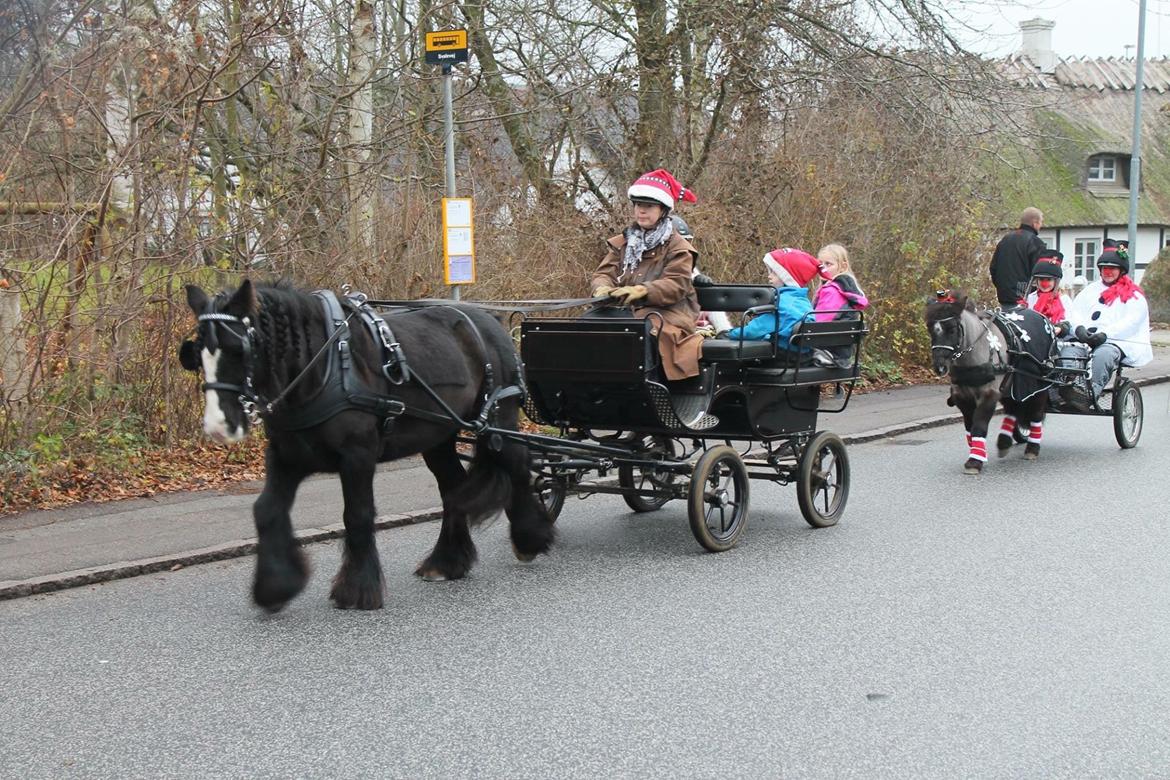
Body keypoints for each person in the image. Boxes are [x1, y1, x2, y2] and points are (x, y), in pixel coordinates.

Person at [591, 169, 703, 380]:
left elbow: (676, 285)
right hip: (625, 312)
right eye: (637, 205)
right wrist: (602, 288)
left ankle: (648, 388)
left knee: (639, 333)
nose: (641, 211)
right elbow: (604, 273)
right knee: (585, 325)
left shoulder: (679, 247)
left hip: (669, 315)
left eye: (648, 206)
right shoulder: (622, 243)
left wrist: (642, 290)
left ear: (663, 210)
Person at [1058, 246, 1152, 410]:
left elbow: (1131, 322)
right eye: (1104, 268)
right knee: (1068, 353)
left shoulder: (1134, 296)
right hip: (1085, 339)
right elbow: (1074, 313)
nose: (1108, 272)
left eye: (1112, 269)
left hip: (1115, 342)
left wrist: (1105, 335)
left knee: (1103, 355)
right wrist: (1079, 329)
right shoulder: (1089, 291)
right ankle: (1068, 388)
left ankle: (1088, 395)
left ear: (1121, 271)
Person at [722, 248, 824, 362]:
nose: (769, 276)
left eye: (774, 272)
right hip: (804, 355)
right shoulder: (802, 300)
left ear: (787, 277)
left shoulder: (781, 303)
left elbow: (756, 329)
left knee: (740, 361)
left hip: (784, 356)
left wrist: (730, 334)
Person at [990, 207, 1046, 307]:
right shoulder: (1036, 243)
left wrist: (1001, 286)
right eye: (1041, 222)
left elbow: (993, 268)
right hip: (1024, 298)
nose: (1041, 226)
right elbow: (1040, 273)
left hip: (1003, 296)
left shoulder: (1005, 239)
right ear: (1035, 223)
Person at [813, 243, 868, 322]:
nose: (822, 268)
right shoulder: (847, 289)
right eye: (820, 263)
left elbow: (818, 322)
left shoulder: (832, 291)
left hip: (828, 333)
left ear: (843, 267)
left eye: (828, 264)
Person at [1023, 249, 1073, 337]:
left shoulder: (1064, 300)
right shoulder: (1030, 298)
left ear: (1056, 281)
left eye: (1049, 280)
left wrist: (1062, 327)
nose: (1044, 284)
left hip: (1058, 341)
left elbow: (1071, 321)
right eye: (1041, 279)